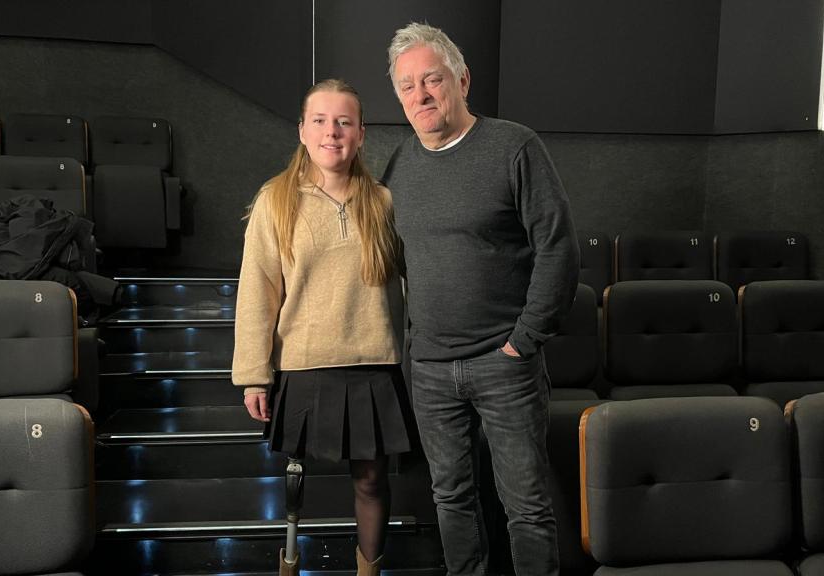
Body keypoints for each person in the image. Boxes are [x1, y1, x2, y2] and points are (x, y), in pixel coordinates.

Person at [382, 23, 579, 576]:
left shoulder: (515, 146)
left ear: (462, 80)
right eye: (406, 86)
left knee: (526, 506)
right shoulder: (398, 165)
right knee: (451, 500)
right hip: (431, 369)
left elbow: (557, 247)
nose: (419, 95)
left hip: (504, 363)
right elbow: (394, 262)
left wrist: (524, 341)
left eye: (432, 80)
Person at [232, 78, 411, 576]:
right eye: (320, 120)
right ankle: (290, 564)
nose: (332, 132)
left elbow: (415, 283)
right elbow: (257, 291)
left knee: (372, 481)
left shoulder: (384, 202)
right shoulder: (275, 200)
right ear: (302, 131)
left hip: (373, 362)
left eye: (344, 122)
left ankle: (369, 571)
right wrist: (253, 372)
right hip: (304, 362)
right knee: (295, 482)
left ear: (360, 134)